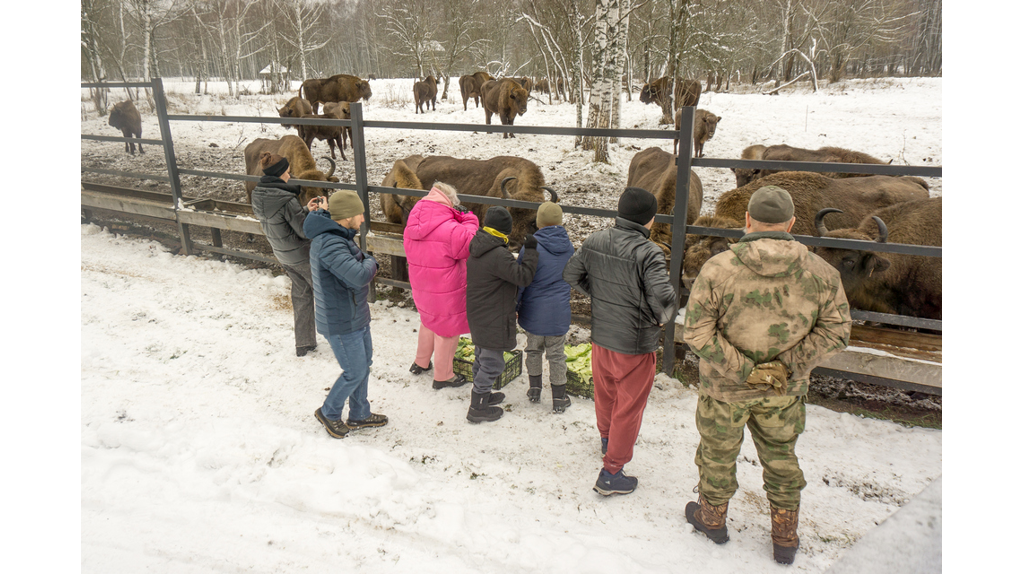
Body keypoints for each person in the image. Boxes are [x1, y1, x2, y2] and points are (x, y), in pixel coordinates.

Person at [681, 185, 851, 565]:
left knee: (717, 454)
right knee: (781, 458)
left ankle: (712, 520)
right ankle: (784, 537)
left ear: (747, 221)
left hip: (725, 390)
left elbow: (696, 332)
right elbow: (838, 331)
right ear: (791, 223)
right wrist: (784, 366)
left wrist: (744, 370)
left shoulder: (718, 268)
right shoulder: (822, 273)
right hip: (783, 392)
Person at [563, 187, 676, 497]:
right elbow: (664, 304)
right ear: (650, 220)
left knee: (607, 394)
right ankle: (612, 472)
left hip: (602, 337)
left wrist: (599, 294)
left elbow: (572, 275)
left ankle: (606, 440)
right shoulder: (648, 251)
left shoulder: (595, 241)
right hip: (635, 342)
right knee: (629, 406)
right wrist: (657, 317)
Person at [303, 190, 388, 439]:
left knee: (364, 366)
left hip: (355, 314)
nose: (363, 219)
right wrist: (371, 261)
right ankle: (329, 412)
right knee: (355, 371)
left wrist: (366, 261)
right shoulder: (330, 243)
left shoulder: (341, 236)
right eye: (360, 214)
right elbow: (360, 274)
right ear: (347, 216)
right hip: (341, 321)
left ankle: (360, 414)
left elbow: (360, 266)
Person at [402, 182, 480, 389]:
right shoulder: (451, 229)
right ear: (450, 203)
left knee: (428, 321)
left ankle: (421, 362)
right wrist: (469, 218)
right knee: (447, 328)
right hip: (446, 286)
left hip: (421, 283)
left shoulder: (412, 225)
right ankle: (443, 375)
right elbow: (470, 244)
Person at [465, 206, 539, 423]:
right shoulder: (498, 255)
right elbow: (523, 276)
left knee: (482, 356)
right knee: (492, 364)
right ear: (505, 230)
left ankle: (483, 395)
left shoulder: (480, 246)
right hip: (492, 316)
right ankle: (477, 407)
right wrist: (531, 251)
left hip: (480, 313)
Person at [249, 152, 324, 357]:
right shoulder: (285, 198)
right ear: (280, 173)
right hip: (301, 255)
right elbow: (303, 230)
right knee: (328, 292)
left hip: (283, 254)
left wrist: (303, 210)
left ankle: (304, 343)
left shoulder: (259, 195)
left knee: (301, 296)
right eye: (288, 172)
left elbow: (281, 220)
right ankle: (344, 338)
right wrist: (316, 213)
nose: (290, 176)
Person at [516, 202, 574, 412]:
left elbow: (522, 281)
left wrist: (516, 304)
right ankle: (559, 398)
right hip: (559, 312)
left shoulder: (531, 248)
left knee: (533, 350)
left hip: (533, 311)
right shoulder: (569, 247)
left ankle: (534, 389)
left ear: (538, 222)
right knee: (557, 355)